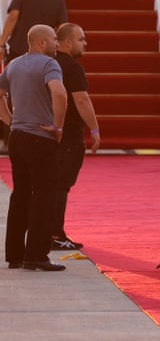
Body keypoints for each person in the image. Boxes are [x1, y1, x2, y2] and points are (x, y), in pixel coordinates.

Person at [0, 24, 68, 271]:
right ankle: (37, 255)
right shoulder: (48, 64)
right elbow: (59, 93)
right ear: (41, 42)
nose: (57, 44)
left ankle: (15, 255)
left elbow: (0, 93)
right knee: (44, 195)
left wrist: (10, 120)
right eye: (53, 39)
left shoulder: (14, 65)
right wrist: (57, 126)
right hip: (40, 137)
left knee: (21, 195)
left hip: (17, 137)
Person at [0, 0, 68, 152]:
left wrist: (1, 43)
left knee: (15, 95)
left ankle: (12, 134)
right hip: (45, 57)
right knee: (41, 96)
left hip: (19, 51)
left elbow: (13, 16)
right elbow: (61, 29)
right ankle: (41, 133)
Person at [50, 23, 100, 250]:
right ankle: (55, 234)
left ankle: (43, 231)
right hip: (68, 135)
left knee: (46, 185)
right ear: (67, 42)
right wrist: (94, 128)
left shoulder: (47, 64)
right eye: (81, 39)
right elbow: (81, 99)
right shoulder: (72, 67)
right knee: (61, 186)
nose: (85, 43)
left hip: (45, 133)